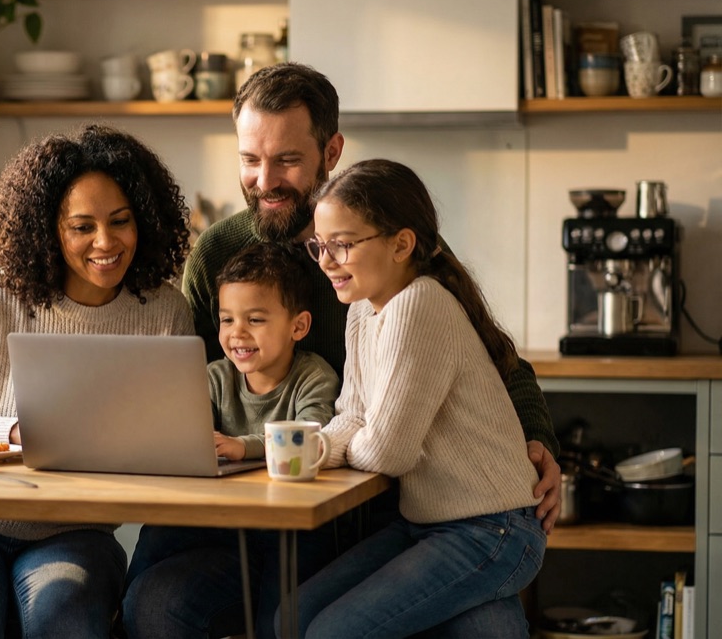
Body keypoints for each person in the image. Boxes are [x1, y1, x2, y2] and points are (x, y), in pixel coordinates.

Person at [127, 62, 561, 637]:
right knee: (156, 606)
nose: (264, 180)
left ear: (331, 150)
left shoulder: (393, 255)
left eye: (286, 160)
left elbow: (496, 362)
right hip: (261, 516)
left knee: (488, 630)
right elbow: (196, 389)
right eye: (249, 159)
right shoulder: (216, 255)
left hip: (389, 514)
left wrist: (536, 440)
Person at [0, 124, 194, 638]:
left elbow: (173, 446)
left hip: (74, 532)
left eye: (121, 221)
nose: (106, 242)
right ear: (48, 229)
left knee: (65, 615)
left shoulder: (165, 312)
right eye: (82, 227)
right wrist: (14, 431)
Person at [286, 158, 546, 638]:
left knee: (332, 633)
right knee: (290, 619)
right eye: (319, 246)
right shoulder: (364, 309)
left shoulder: (419, 304)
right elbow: (353, 415)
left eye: (341, 245)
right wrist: (319, 448)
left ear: (401, 244)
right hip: (428, 525)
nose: (325, 261)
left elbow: (388, 452)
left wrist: (341, 443)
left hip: (491, 530)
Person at [123, 242, 340, 639]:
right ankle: (117, 618)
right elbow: (190, 430)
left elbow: (315, 434)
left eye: (255, 319)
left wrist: (244, 446)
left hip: (290, 531)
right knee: (160, 527)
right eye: (226, 320)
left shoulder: (313, 377)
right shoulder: (214, 377)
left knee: (279, 619)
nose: (236, 333)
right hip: (226, 526)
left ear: (298, 326)